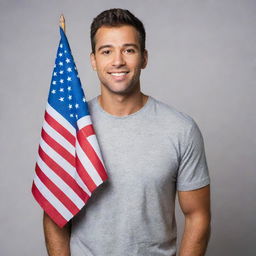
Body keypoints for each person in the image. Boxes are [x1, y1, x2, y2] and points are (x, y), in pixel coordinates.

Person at [43, 8, 211, 256]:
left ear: (144, 58)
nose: (118, 61)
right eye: (107, 51)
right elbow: (55, 210)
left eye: (128, 50)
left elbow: (198, 216)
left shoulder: (181, 129)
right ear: (93, 60)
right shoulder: (71, 127)